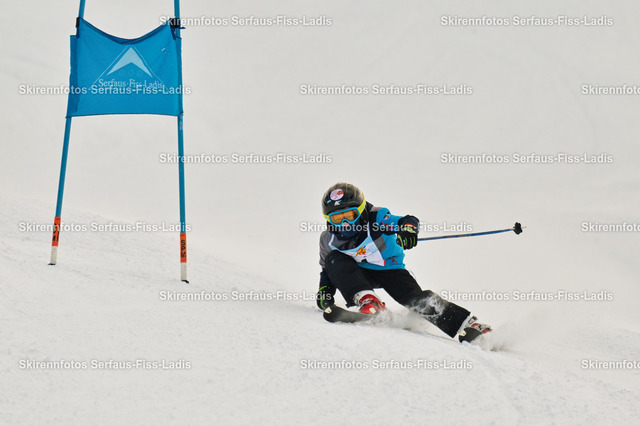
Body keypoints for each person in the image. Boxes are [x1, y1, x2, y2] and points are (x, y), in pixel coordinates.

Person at [316, 182, 492, 342]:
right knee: (334, 259)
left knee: (415, 299)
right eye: (337, 219)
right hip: (358, 275)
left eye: (350, 215)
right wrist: (325, 290)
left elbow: (407, 221)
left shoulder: (376, 219)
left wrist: (408, 230)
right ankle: (369, 302)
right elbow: (327, 269)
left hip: (390, 270)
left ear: (361, 211)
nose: (345, 223)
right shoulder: (328, 240)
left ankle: (469, 325)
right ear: (328, 219)